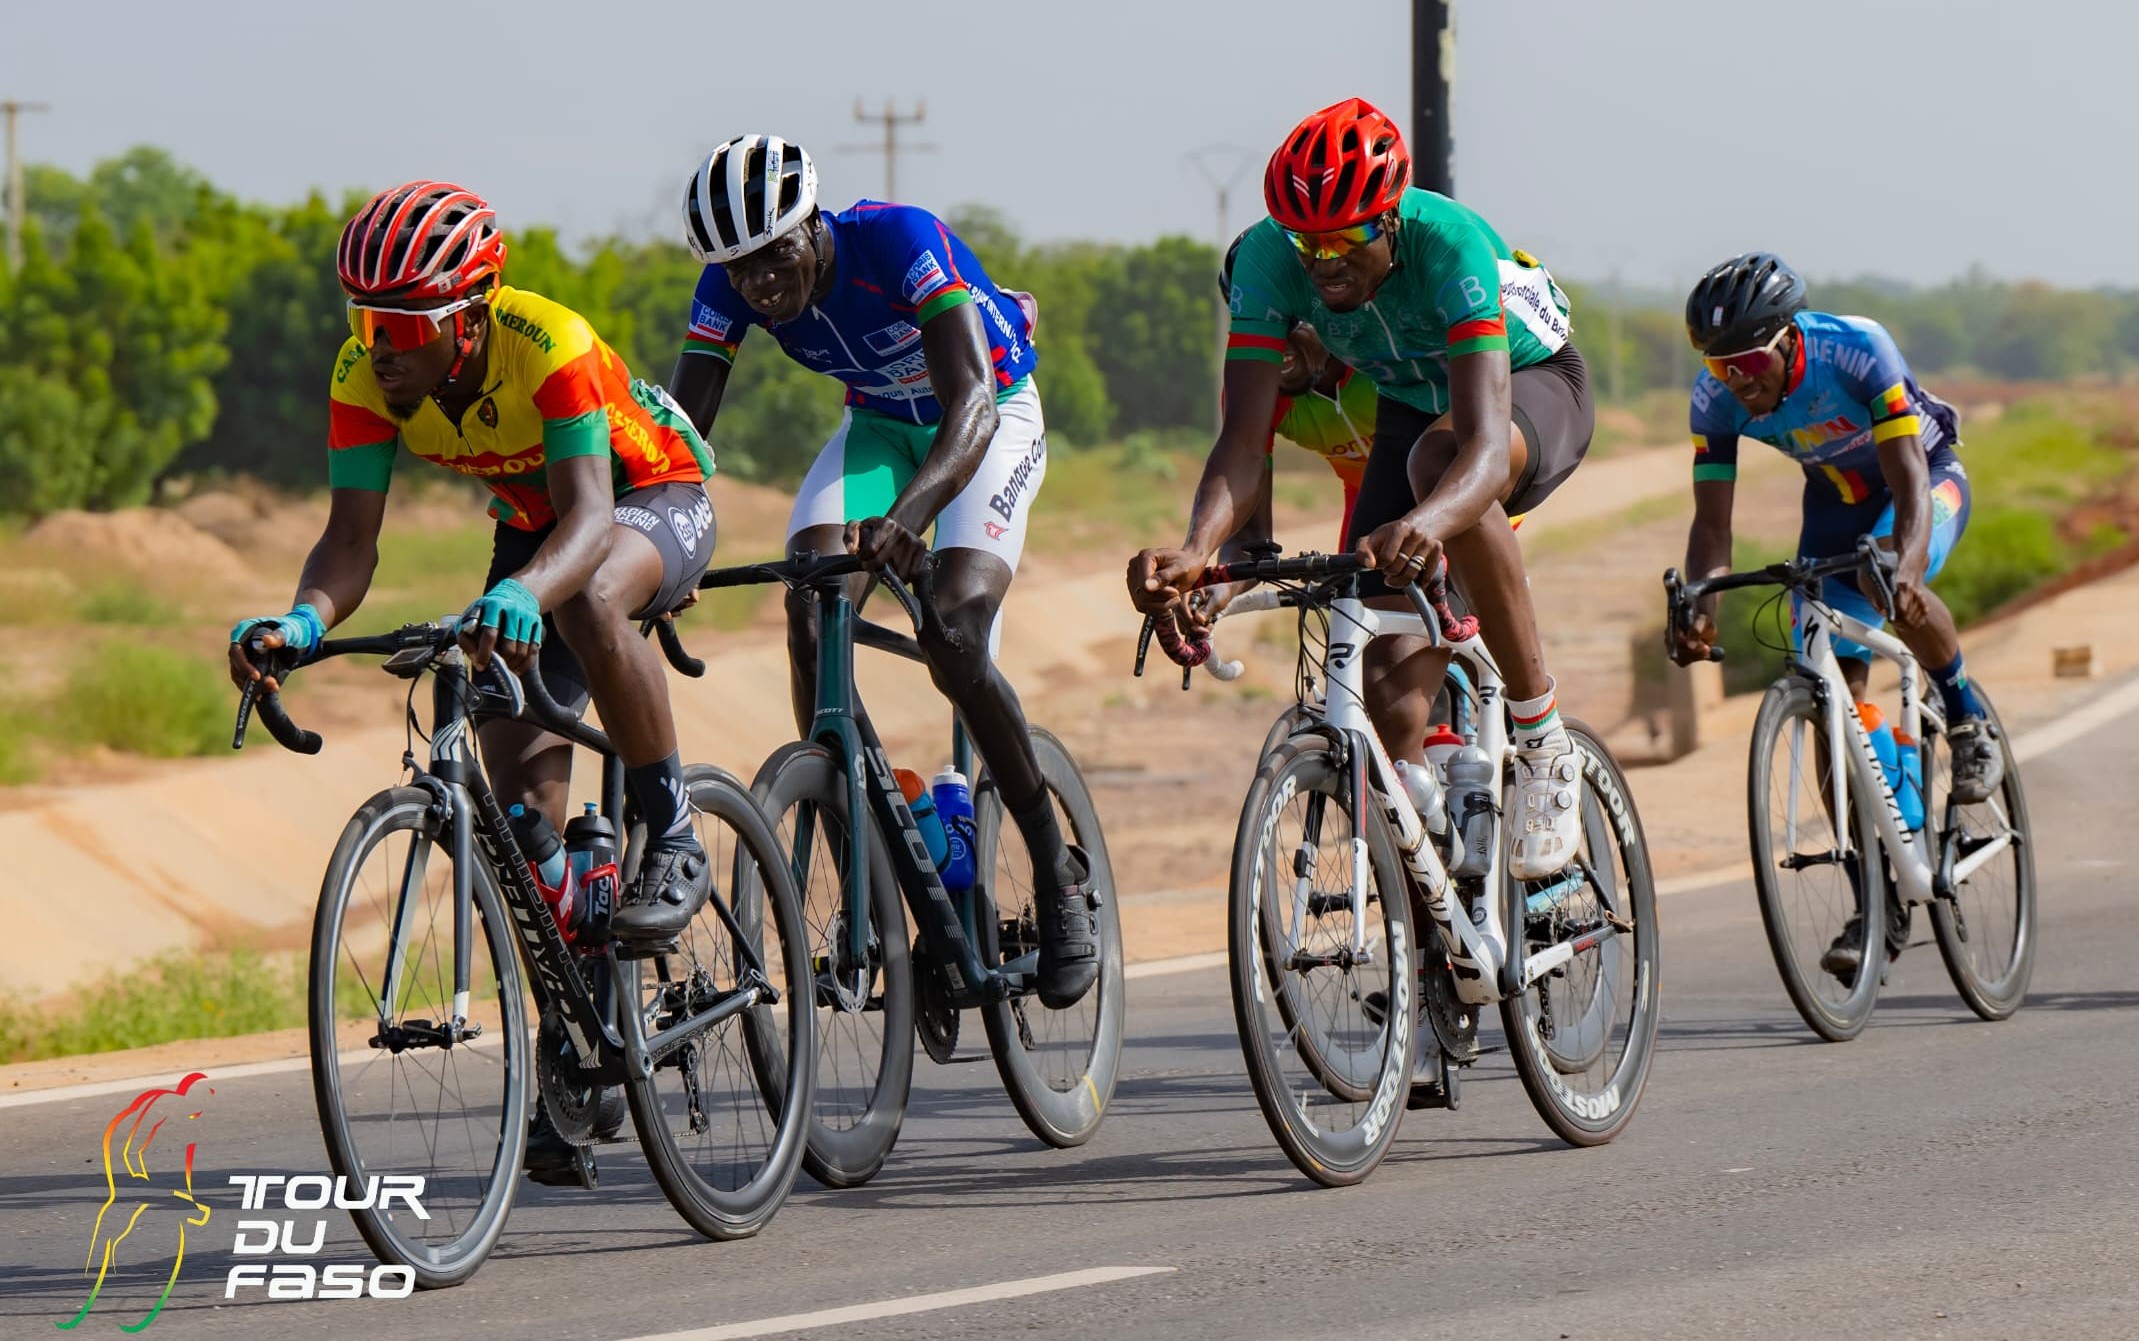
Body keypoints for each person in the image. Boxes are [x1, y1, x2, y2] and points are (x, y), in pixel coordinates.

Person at [665, 135, 1099, 1009]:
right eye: (737, 270)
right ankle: (869, 854)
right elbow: (682, 437)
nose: (759, 285)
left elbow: (971, 404)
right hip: (879, 428)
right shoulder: (731, 286)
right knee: (807, 597)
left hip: (986, 417)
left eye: (774, 257)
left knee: (954, 621)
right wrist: (652, 541)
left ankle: (1055, 873)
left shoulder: (897, 240)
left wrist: (907, 521)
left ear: (813, 225)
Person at [226, 182, 720, 947]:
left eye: (398, 324)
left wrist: (523, 589)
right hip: (536, 527)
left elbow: (590, 517)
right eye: (363, 318)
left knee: (587, 599)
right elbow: (351, 540)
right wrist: (301, 620)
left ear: (467, 317)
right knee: (522, 812)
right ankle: (580, 977)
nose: (377, 346)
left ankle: (677, 833)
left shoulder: (550, 341)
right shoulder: (362, 374)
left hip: (647, 496)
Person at [1128, 98, 1595, 881]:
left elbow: (1479, 454)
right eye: (1305, 242)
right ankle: (1438, 861)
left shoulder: (1450, 243)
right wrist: (1195, 551)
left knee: (1436, 466)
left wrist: (1426, 520)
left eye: (1344, 238)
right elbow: (1243, 443)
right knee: (1381, 671)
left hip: (1526, 385)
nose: (1322, 262)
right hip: (1412, 401)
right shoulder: (1266, 262)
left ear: (1389, 220)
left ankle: (1541, 734)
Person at [1670, 251, 2002, 978]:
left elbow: (1909, 478)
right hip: (1832, 502)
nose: (1739, 379)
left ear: (1789, 337)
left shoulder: (1854, 348)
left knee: (1889, 582)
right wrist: (1701, 600)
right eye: (1723, 367)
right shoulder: (1713, 397)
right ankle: (1873, 900)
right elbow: (1711, 526)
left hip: (1922, 479)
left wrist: (1905, 569)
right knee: (1827, 696)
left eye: (1750, 360)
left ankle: (1964, 713)